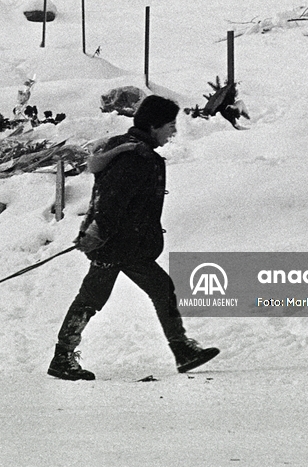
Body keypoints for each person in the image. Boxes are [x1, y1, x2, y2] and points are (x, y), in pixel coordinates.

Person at [48, 95, 220, 381]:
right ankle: (62, 357)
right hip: (116, 246)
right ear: (153, 126)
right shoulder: (134, 158)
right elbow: (112, 200)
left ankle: (182, 350)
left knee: (159, 288)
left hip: (129, 245)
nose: (173, 131)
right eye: (170, 125)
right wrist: (96, 233)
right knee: (92, 299)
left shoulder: (128, 150)